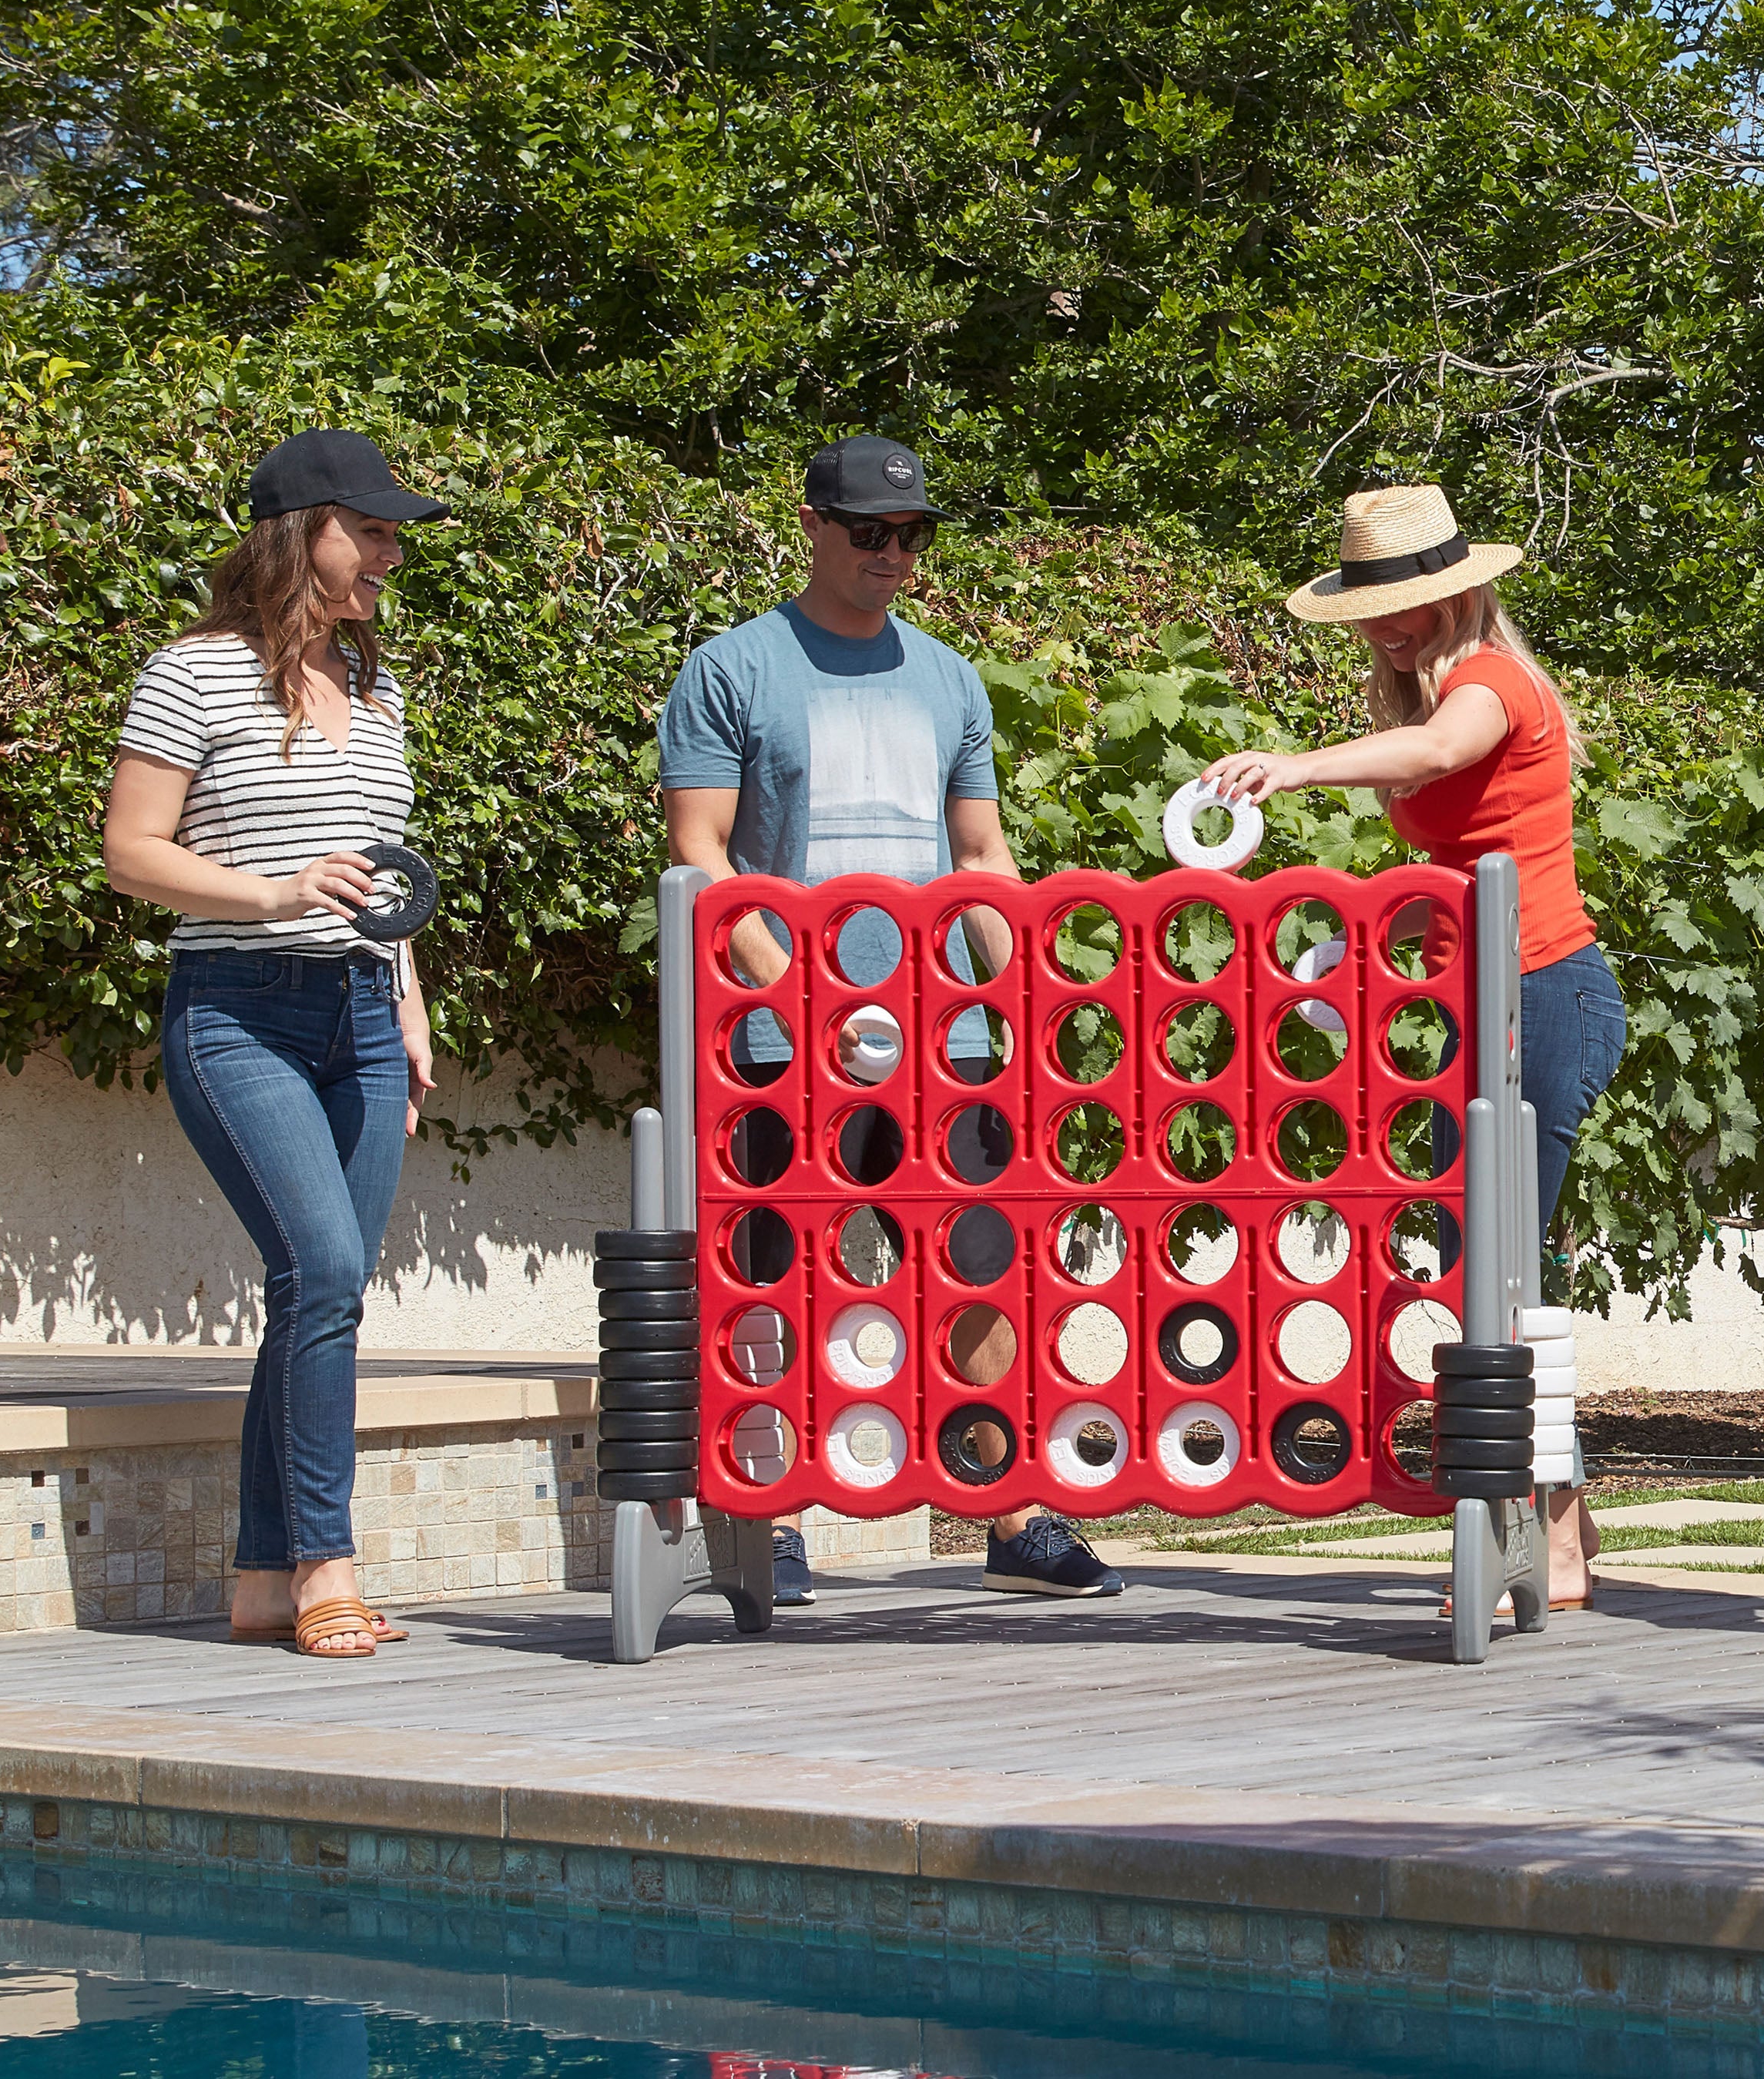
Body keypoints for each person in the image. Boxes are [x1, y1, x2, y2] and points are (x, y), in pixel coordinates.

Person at [657, 432, 1123, 1605]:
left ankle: (1011, 1513)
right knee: (772, 1278)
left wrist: (1015, 992)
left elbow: (981, 855)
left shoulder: (950, 678)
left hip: (941, 1037)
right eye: (871, 531)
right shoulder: (733, 670)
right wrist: (806, 998)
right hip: (773, 1038)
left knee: (975, 1267)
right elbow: (703, 860)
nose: (894, 554)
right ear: (811, 524)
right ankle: (770, 1520)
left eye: (912, 534)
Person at [1204, 483, 1627, 1607]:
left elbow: (1440, 752)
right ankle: (1564, 1542)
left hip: (1546, 998)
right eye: (1372, 607)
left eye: (1409, 602)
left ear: (1462, 592)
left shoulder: (1488, 683)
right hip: (1485, 1010)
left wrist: (1291, 768)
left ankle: (1505, 1538)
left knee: (1492, 1276)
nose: (1389, 623)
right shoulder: (1431, 686)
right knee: (1494, 1271)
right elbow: (1449, 869)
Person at [102, 431, 444, 1658]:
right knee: (324, 1273)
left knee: (321, 1291)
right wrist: (274, 892)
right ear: (305, 534)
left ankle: (258, 1576)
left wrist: (405, 997)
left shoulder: (377, 684)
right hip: (237, 1013)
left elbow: (383, 873)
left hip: (358, 1015)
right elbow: (132, 851)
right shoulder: (191, 674)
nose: (394, 555)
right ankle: (325, 1563)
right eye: (378, 530)